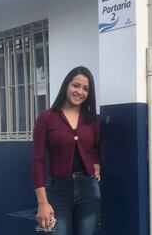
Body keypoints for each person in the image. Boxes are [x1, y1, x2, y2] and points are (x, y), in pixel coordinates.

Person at [31, 66, 101, 235]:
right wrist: (42, 203)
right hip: (57, 191)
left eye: (86, 89)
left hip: (88, 189)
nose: (80, 92)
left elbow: (95, 147)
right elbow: (37, 160)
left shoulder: (92, 120)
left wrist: (96, 163)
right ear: (66, 85)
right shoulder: (46, 118)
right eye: (76, 85)